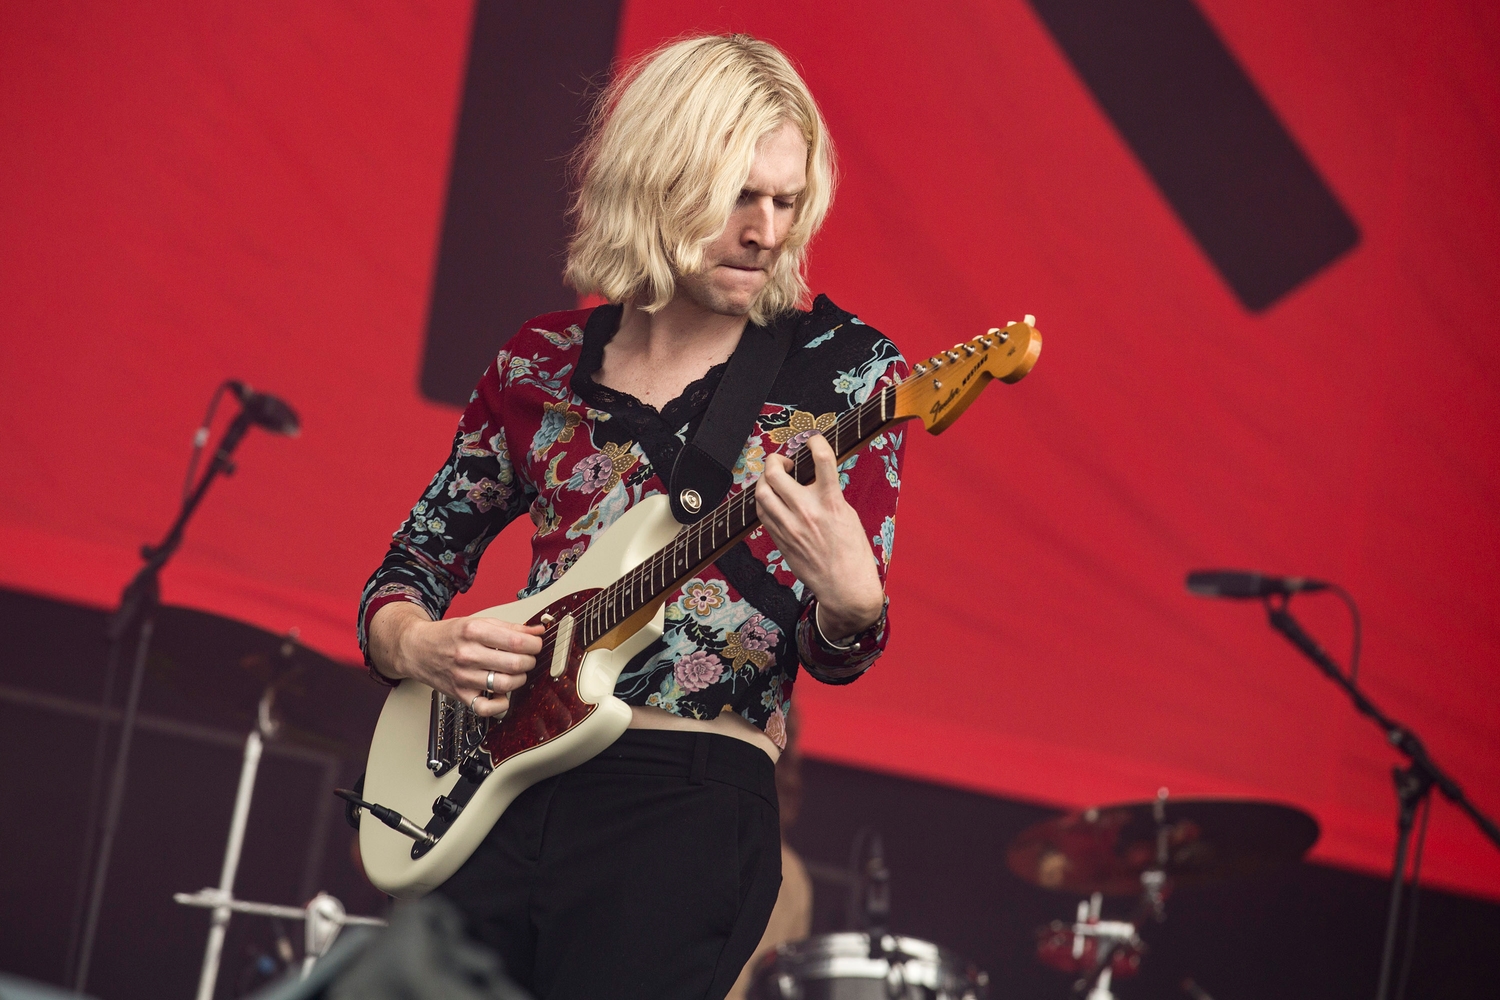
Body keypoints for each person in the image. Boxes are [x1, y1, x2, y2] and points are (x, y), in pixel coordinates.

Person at [357, 33, 906, 1000]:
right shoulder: (539, 361)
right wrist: (418, 646)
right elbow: (411, 565)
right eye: (739, 195)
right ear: (657, 180)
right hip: (496, 785)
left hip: (687, 803)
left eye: (786, 201)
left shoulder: (846, 370)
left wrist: (855, 607)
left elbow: (834, 654)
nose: (766, 232)